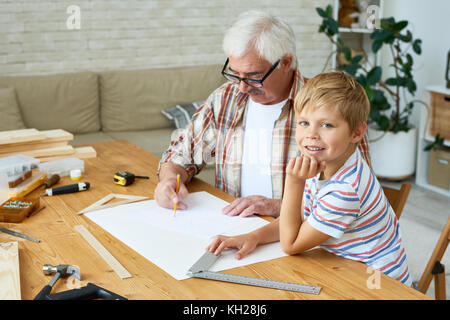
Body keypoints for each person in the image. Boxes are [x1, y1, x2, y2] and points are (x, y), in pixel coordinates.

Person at [155, 10, 370, 218]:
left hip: (301, 237)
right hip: (232, 226)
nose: (242, 87)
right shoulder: (225, 99)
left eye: (253, 76)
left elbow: (357, 191)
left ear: (286, 62)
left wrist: (278, 207)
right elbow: (182, 154)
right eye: (235, 74)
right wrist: (168, 180)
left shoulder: (330, 109)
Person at [207, 71, 412, 286]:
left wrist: (294, 182)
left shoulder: (346, 190)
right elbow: (300, 219)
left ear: (356, 132)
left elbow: (291, 243)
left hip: (377, 284)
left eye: (327, 125)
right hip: (344, 268)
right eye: (304, 122)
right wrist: (255, 236)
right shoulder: (327, 160)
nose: (311, 134)